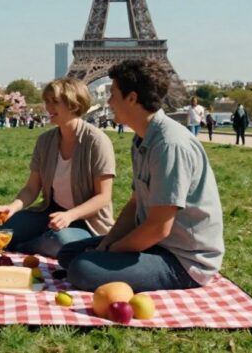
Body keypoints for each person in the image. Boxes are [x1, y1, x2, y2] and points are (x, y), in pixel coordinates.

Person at [57, 58, 224, 292]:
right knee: (69, 254)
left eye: (113, 94)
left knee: (82, 268)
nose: (109, 101)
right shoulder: (143, 138)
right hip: (157, 243)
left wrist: (112, 252)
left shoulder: (169, 145)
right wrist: (106, 244)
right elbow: (135, 204)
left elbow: (158, 228)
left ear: (132, 98)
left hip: (181, 260)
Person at [0, 78, 116, 258]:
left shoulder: (97, 141)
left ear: (73, 104)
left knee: (61, 242)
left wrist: (70, 215)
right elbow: (32, 188)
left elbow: (103, 197)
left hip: (86, 222)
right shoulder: (45, 141)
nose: (47, 107)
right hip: (50, 213)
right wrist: (12, 207)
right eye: (47, 101)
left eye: (54, 102)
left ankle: (25, 245)